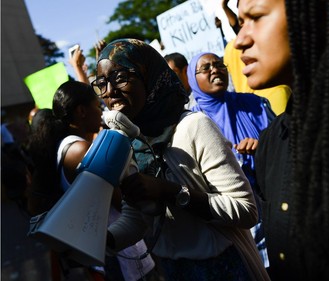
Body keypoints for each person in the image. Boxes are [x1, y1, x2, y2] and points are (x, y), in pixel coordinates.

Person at [92, 38, 270, 281]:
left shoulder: (194, 127)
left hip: (225, 269)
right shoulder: (128, 142)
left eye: (121, 77)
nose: (109, 92)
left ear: (149, 76)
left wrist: (172, 192)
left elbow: (246, 211)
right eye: (101, 83)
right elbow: (136, 219)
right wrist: (99, 239)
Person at [234, 0, 329, 280]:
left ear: (326, 14)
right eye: (240, 24)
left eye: (257, 18)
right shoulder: (272, 143)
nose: (240, 40)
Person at [27, 81, 156, 281]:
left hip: (104, 246)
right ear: (81, 111)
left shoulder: (67, 146)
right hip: (119, 249)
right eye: (97, 106)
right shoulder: (80, 150)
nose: (101, 112)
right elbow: (120, 201)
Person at [187, 51, 273, 268]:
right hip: (231, 225)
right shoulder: (190, 125)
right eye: (205, 68)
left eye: (219, 64)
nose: (215, 70)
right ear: (192, 79)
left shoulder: (255, 105)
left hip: (271, 210)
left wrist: (262, 146)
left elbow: (285, 145)